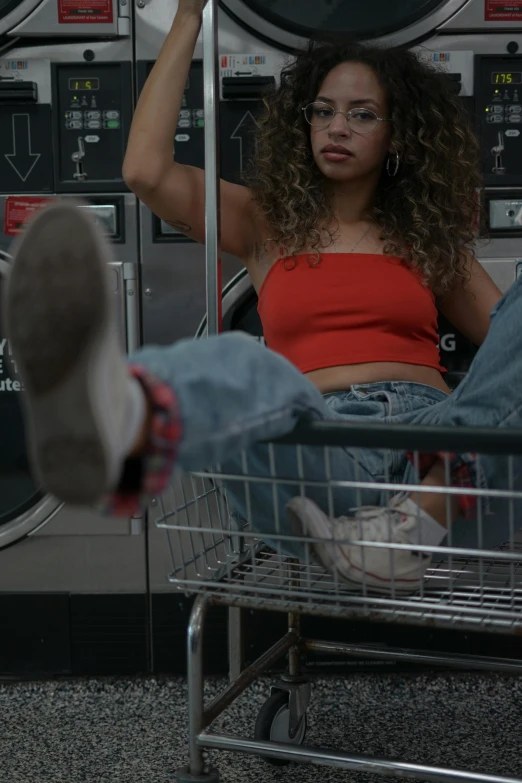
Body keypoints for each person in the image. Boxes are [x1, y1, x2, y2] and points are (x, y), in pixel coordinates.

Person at [3, 0, 520, 596]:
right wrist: (188, 17)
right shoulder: (265, 222)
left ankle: (416, 523)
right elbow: (145, 171)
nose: (337, 127)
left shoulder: (429, 240)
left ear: (398, 133)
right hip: (316, 454)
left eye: (362, 114)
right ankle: (115, 415)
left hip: (441, 454)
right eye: (322, 111)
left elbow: (510, 350)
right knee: (248, 365)